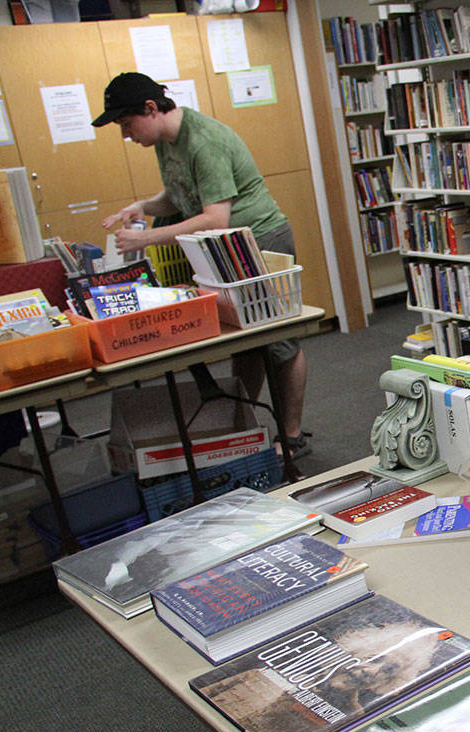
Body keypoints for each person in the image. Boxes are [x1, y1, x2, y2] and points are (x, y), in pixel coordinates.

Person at [91, 72, 310, 459]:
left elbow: (214, 219)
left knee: (280, 343)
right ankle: (243, 425)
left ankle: (291, 436)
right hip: (225, 248)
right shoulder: (166, 141)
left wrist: (146, 238)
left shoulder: (203, 141)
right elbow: (179, 195)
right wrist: (143, 207)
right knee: (245, 344)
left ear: (151, 109)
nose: (126, 135)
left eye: (127, 124)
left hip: (259, 241)